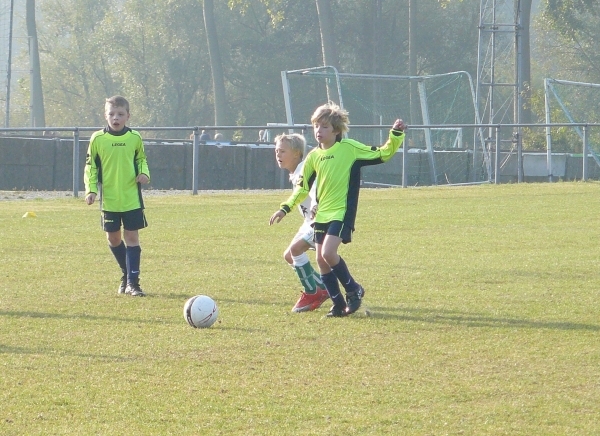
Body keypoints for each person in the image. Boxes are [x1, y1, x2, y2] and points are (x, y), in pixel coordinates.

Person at [270, 102, 406, 317]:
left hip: (342, 211)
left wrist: (395, 134)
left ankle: (353, 290)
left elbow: (383, 154)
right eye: (316, 126)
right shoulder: (314, 157)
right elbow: (302, 188)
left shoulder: (349, 148)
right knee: (321, 261)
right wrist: (284, 209)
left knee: (328, 252)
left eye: (324, 127)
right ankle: (337, 305)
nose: (318, 131)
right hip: (321, 214)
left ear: (336, 130)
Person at [84, 95, 151, 297]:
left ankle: (133, 283)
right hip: (110, 200)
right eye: (111, 114)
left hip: (131, 199)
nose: (116, 118)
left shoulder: (134, 138)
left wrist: (145, 174)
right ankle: (126, 273)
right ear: (105, 115)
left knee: (131, 237)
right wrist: (91, 189)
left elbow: (141, 159)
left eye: (120, 114)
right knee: (113, 239)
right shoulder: (98, 139)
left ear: (128, 116)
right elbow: (91, 167)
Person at [273, 133, 329, 312]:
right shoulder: (296, 172)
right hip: (308, 222)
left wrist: (316, 204)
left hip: (321, 220)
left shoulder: (304, 169)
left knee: (296, 250)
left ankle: (312, 292)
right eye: (276, 151)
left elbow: (317, 187)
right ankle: (325, 287)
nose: (278, 155)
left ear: (297, 154)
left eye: (282, 151)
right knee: (289, 255)